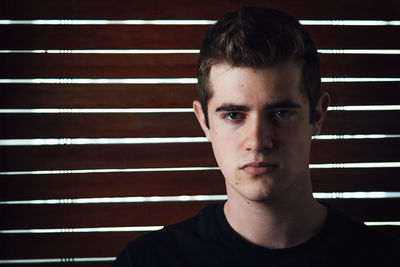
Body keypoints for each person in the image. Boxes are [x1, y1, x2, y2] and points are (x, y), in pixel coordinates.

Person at [114, 7, 398, 266]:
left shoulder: (383, 257)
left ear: (318, 115)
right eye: (233, 115)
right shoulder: (146, 261)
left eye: (281, 113)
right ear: (204, 122)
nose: (258, 141)